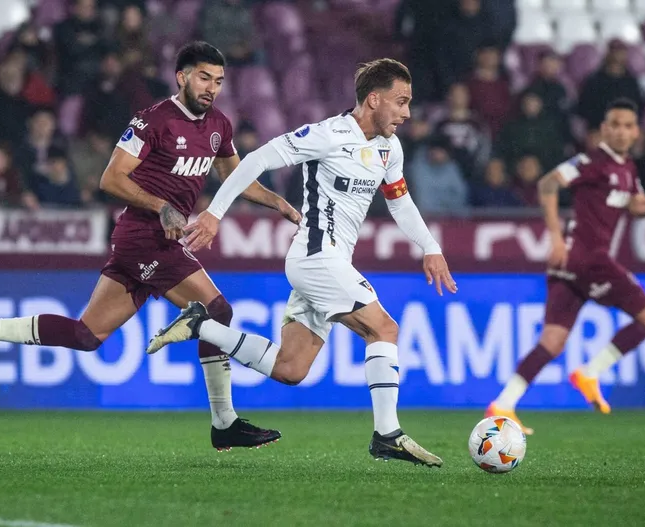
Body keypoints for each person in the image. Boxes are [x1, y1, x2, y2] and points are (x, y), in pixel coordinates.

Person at [0, 41, 300, 451]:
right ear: (181, 77)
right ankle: (224, 422)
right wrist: (161, 204)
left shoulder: (219, 125)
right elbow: (111, 178)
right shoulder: (152, 121)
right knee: (217, 311)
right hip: (144, 237)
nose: (211, 87)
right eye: (203, 77)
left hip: (151, 245)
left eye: (218, 81)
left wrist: (278, 202)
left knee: (86, 335)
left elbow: (236, 179)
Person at [147, 59, 456, 466]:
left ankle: (199, 325)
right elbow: (256, 160)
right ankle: (387, 434)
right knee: (384, 328)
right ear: (374, 99)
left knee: (291, 368)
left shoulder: (388, 148)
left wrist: (430, 246)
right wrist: (215, 212)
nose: (407, 113)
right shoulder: (328, 135)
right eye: (401, 102)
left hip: (328, 261)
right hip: (315, 257)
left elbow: (399, 202)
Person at [486, 99, 645, 434]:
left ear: (637, 131)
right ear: (604, 129)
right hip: (587, 259)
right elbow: (548, 183)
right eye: (616, 124)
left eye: (628, 125)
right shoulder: (591, 161)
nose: (622, 131)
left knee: (552, 341)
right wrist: (554, 236)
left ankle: (503, 404)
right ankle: (591, 372)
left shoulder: (628, 169)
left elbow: (637, 206)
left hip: (569, 265)